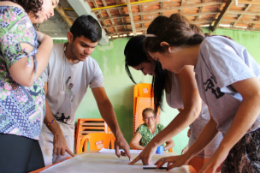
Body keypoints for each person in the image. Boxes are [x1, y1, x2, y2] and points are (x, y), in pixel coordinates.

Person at [144, 13, 260, 173]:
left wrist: (223, 148)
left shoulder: (212, 47)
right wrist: (186, 157)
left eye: (158, 59)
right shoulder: (199, 71)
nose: (162, 67)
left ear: (167, 47)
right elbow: (215, 121)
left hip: (254, 135)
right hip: (237, 139)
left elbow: (255, 96)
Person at [39, 15, 131, 166]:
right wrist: (56, 132)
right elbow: (40, 98)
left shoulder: (92, 67)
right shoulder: (49, 55)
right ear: (70, 37)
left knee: (64, 170)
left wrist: (118, 135)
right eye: (83, 45)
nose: (88, 51)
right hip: (43, 127)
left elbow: (103, 102)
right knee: (42, 168)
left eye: (93, 47)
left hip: (67, 129)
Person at [125, 34, 222, 172]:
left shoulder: (180, 64)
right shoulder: (165, 73)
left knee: (211, 169)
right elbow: (185, 109)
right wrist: (190, 123)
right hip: (197, 129)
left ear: (151, 56)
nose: (145, 73)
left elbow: (193, 110)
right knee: (196, 169)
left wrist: (154, 143)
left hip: (212, 127)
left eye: (142, 68)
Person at [0, 0, 58, 172]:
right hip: (11, 125)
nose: (53, 12)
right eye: (53, 3)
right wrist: (48, 42)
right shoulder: (14, 13)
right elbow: (26, 74)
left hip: (22, 127)